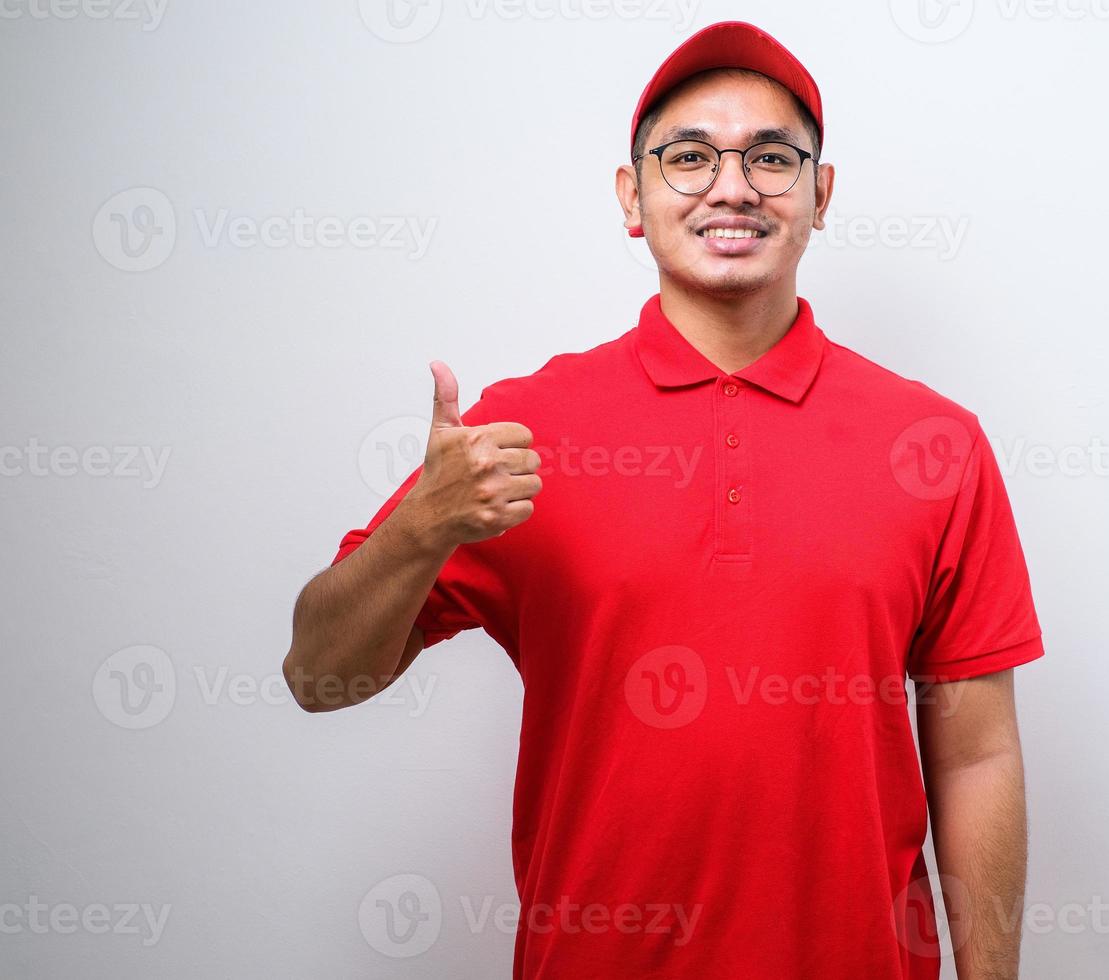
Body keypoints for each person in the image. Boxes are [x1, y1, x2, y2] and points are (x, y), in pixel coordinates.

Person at [283, 20, 1045, 980]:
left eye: (772, 157)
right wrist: (417, 532)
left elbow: (976, 756)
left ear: (821, 193)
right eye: (689, 157)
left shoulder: (934, 444)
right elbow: (317, 674)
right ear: (631, 197)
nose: (733, 186)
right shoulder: (521, 431)